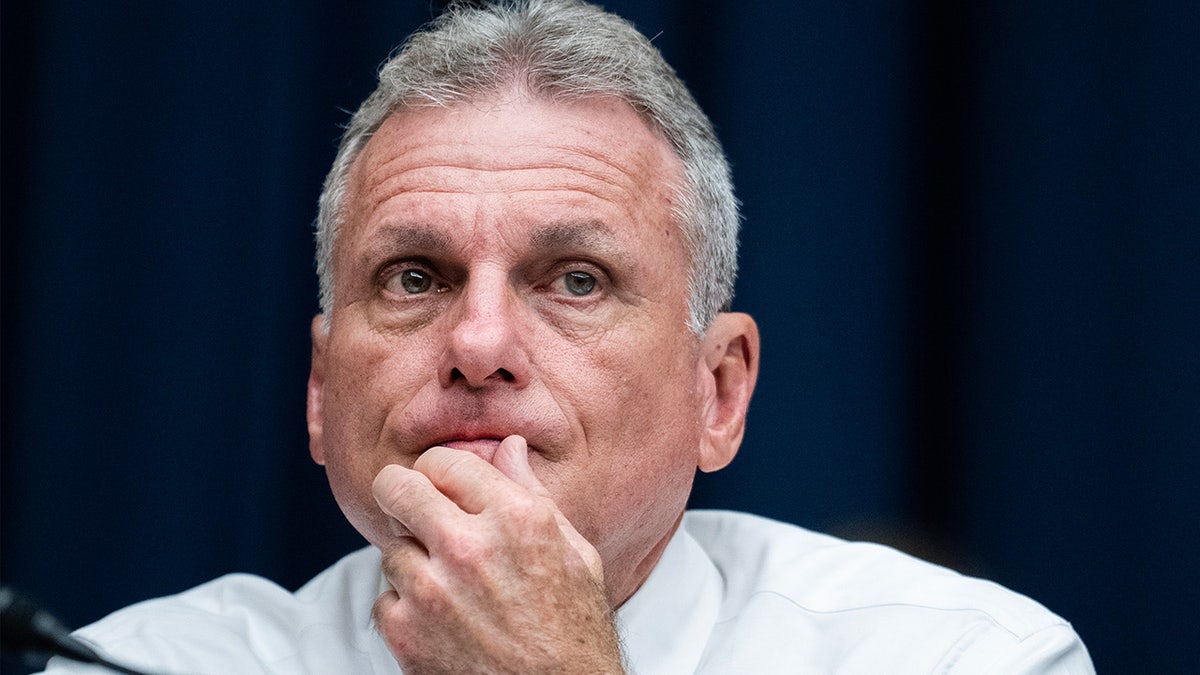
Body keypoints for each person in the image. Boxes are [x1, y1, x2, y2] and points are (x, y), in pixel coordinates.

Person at [42, 1, 1093, 673]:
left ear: (717, 393)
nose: (479, 341)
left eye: (575, 280)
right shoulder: (142, 667)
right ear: (321, 392)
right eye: (415, 277)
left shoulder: (963, 658)